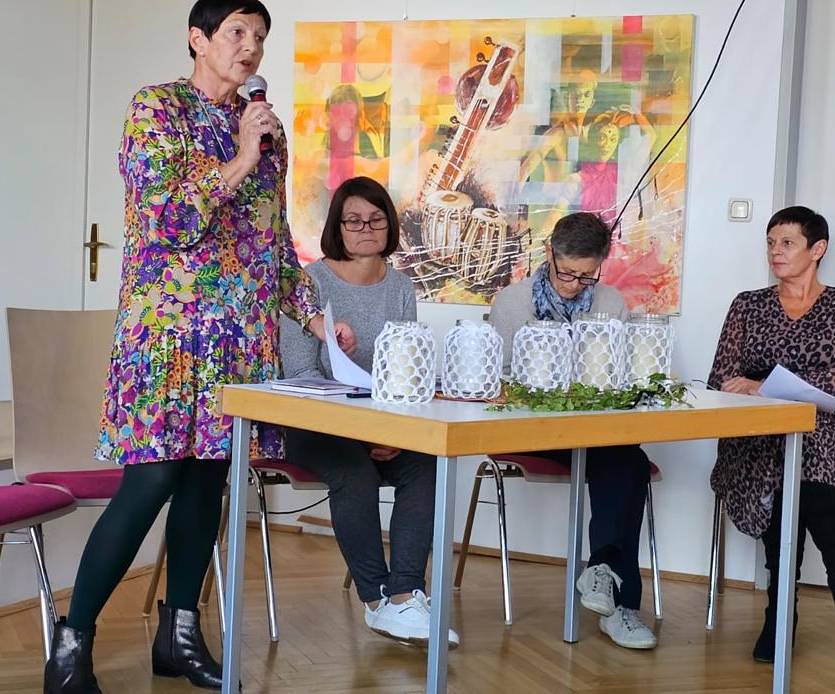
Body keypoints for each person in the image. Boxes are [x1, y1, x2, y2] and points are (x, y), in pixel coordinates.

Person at [43, 0, 354, 694]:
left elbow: (273, 247)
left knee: (208, 483)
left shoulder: (267, 135)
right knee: (152, 480)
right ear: (198, 38)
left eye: (260, 36)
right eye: (237, 32)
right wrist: (241, 155)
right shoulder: (157, 110)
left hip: (238, 344)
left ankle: (178, 636)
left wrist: (316, 319)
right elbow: (167, 221)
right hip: (167, 339)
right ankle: (72, 641)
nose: (251, 47)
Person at [279, 176, 459, 649]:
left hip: (381, 423)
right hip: (314, 424)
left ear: (390, 226)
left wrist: (391, 432)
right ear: (337, 226)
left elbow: (406, 367)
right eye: (354, 220)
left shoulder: (400, 286)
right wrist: (362, 434)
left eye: (376, 220)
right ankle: (377, 600)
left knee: (426, 466)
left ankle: (406, 595)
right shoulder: (309, 283)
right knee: (356, 474)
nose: (365, 229)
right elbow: (301, 374)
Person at [708, 206, 835, 663]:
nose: (775, 251)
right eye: (770, 243)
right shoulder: (748, 305)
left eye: (787, 243)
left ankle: (780, 614)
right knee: (786, 458)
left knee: (805, 448)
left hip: (831, 432)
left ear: (817, 249)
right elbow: (720, 378)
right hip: (757, 435)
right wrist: (762, 392)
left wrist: (763, 383)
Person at [488, 212, 657, 650]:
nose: (574, 284)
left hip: (594, 434)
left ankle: (604, 577)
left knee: (628, 460)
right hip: (532, 433)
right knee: (626, 462)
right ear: (549, 253)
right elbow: (497, 382)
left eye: (586, 276)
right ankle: (619, 599)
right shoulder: (512, 303)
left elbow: (621, 375)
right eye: (566, 273)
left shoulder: (611, 304)